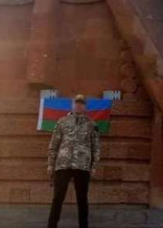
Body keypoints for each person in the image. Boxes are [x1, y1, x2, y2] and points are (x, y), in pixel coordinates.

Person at [47, 94, 100, 228]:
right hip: (63, 164)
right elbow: (54, 144)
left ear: (85, 106)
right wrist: (50, 164)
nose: (78, 105)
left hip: (82, 165)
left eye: (81, 103)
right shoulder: (62, 122)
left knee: (82, 199)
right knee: (57, 198)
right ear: (72, 105)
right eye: (76, 103)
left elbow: (96, 148)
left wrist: (94, 166)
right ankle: (51, 225)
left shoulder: (91, 124)